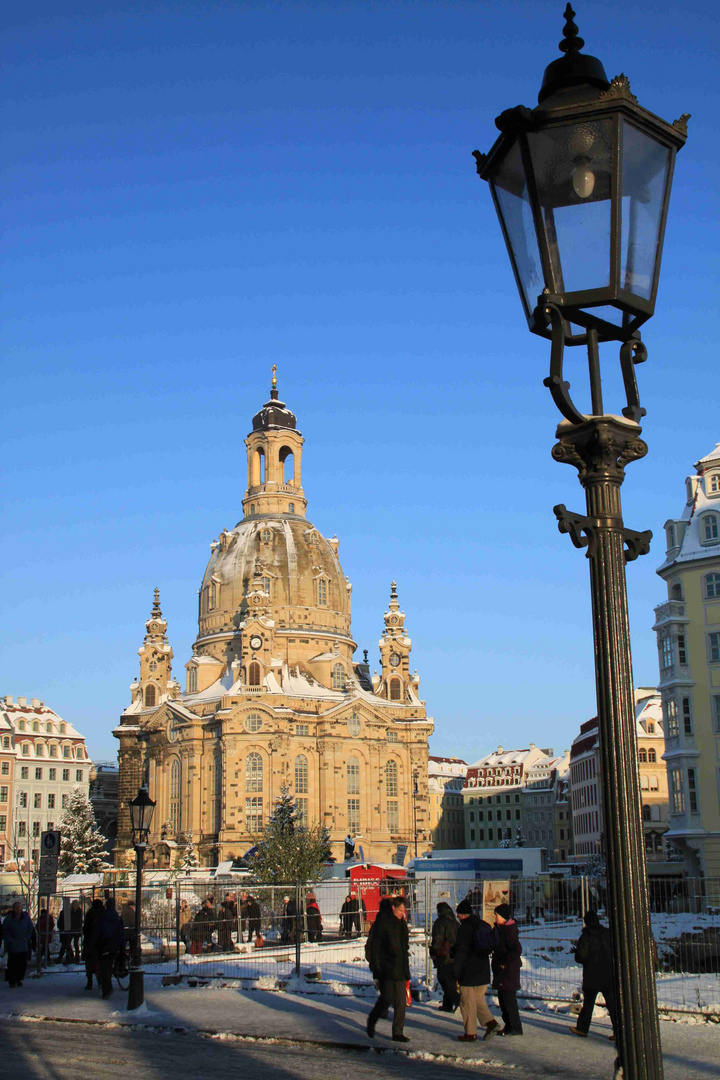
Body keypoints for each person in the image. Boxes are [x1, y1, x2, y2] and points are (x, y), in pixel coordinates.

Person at [451, 897, 498, 1042]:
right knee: (478, 1000)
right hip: (483, 970)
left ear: (463, 915)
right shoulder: (481, 924)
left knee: (467, 1003)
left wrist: (456, 971)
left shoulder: (464, 929)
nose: (457, 916)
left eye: (458, 913)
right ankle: (491, 1023)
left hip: (468, 971)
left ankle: (470, 1034)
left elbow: (462, 952)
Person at [366, 895, 411, 1043]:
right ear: (393, 908)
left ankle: (398, 1032)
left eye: (404, 910)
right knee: (386, 998)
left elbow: (405, 947)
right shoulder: (383, 923)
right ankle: (372, 1020)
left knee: (401, 1002)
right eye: (400, 910)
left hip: (400, 968)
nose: (402, 913)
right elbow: (376, 946)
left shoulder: (402, 924)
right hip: (387, 968)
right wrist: (377, 966)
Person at [570, 910, 617, 1040]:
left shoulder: (586, 936)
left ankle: (582, 1029)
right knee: (612, 1004)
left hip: (592, 975)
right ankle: (619, 1031)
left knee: (588, 1004)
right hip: (608, 973)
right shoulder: (607, 934)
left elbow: (581, 957)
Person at [492, 903, 523, 1037]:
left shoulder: (509, 930)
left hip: (508, 971)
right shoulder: (501, 928)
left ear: (503, 917)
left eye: (497, 915)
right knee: (503, 999)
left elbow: (516, 950)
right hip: (502, 969)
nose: (495, 917)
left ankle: (515, 1027)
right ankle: (509, 1025)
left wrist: (505, 963)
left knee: (509, 1000)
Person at [430, 901, 460, 1013]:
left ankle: (457, 1000)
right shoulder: (455, 922)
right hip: (454, 955)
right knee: (450, 980)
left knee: (443, 978)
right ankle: (447, 1005)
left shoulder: (440, 922)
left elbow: (437, 939)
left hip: (444, 955)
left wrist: (433, 951)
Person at [93, 898, 125, 999]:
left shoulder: (102, 917)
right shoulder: (117, 918)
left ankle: (106, 989)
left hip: (103, 944)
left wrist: (95, 943)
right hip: (114, 944)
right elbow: (121, 933)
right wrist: (122, 947)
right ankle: (109, 985)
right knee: (109, 965)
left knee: (104, 967)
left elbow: (97, 932)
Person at [2, 901, 35, 988]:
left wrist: (27, 937)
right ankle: (12, 980)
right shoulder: (9, 918)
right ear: (13, 909)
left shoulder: (25, 917)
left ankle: (19, 978)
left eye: (19, 907)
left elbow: (30, 928)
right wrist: (10, 939)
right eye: (16, 907)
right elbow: (5, 930)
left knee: (22, 963)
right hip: (13, 944)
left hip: (23, 943)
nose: (18, 909)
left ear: (21, 908)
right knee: (13, 963)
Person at [83, 899, 104, 989]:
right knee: (100, 963)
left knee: (89, 963)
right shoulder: (103, 912)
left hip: (89, 942)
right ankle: (100, 980)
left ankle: (89, 982)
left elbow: (85, 928)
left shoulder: (90, 913)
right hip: (100, 942)